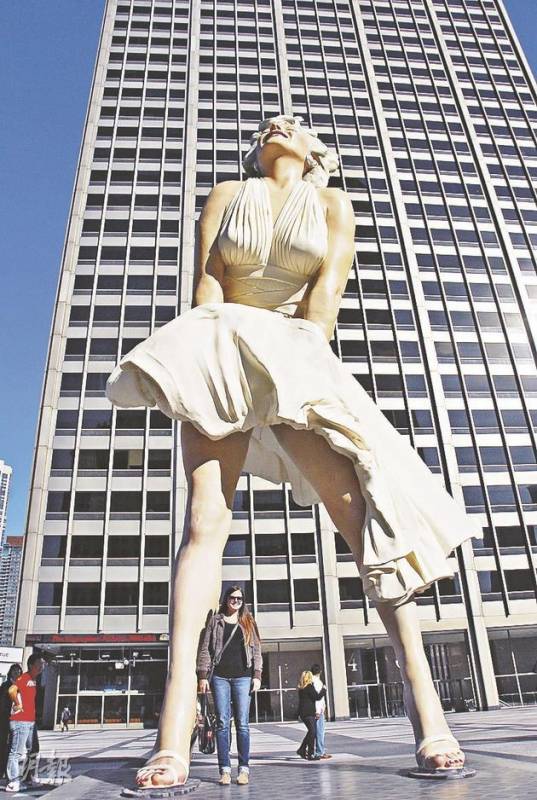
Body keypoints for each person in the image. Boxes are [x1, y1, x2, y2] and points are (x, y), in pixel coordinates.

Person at [107, 113, 479, 790]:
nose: (278, 124)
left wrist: (298, 366)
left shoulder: (332, 204)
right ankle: (174, 729)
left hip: (294, 349)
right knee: (204, 520)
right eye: (267, 126)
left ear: (313, 152)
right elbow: (206, 285)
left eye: (295, 124)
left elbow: (324, 301)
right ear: (256, 151)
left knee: (361, 518)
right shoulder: (227, 194)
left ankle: (424, 704)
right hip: (218, 344)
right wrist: (204, 353)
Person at [197, 585, 262, 785]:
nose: (236, 601)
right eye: (232, 597)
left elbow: (257, 650)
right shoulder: (215, 621)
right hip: (220, 678)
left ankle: (244, 770)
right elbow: (205, 649)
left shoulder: (248, 621)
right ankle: (224, 770)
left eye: (239, 598)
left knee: (242, 724)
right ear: (226, 599)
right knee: (222, 723)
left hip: (243, 677)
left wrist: (257, 675)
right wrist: (202, 675)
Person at [5, 654, 44, 793]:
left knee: (33, 750)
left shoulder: (33, 680)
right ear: (31, 665)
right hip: (20, 721)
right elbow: (11, 690)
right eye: (39, 664)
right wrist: (17, 703)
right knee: (16, 752)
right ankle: (13, 782)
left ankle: (29, 777)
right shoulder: (24, 678)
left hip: (30, 722)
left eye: (43, 664)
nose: (42, 666)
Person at [297, 671, 326, 761]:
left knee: (311, 732)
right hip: (309, 713)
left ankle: (302, 749)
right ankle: (310, 754)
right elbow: (317, 697)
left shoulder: (301, 688)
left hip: (303, 713)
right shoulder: (309, 687)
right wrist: (323, 690)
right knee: (312, 732)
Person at [0, 665, 22, 780]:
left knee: (14, 747)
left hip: (18, 720)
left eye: (19, 671)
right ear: (10, 672)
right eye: (14, 671)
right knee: (4, 745)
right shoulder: (5, 686)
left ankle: (9, 772)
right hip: (5, 720)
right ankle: (2, 770)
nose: (17, 673)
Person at [311, 664, 331, 760]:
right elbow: (318, 698)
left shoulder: (311, 681)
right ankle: (320, 752)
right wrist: (318, 711)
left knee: (316, 731)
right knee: (320, 732)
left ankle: (316, 751)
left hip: (315, 710)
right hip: (318, 711)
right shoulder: (318, 682)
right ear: (320, 672)